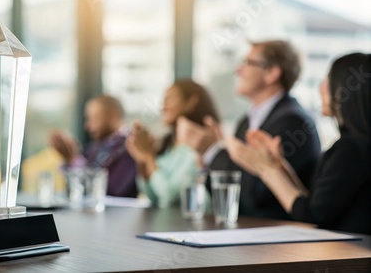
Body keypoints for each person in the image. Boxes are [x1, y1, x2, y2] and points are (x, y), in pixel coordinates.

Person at [227, 53, 371, 235]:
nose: (321, 87)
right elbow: (313, 203)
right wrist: (278, 166)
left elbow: (312, 217)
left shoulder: (350, 149)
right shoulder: (354, 146)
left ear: (343, 91)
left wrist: (266, 170)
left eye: (328, 80)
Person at [180, 40, 321, 220]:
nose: (238, 70)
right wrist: (207, 162)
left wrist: (213, 150)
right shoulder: (246, 122)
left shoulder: (292, 122)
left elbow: (255, 195)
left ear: (271, 73)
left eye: (247, 63)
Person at [125, 79, 219, 208]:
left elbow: (170, 197)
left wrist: (149, 157)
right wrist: (142, 161)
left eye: (169, 99)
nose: (163, 107)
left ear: (191, 102)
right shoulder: (168, 144)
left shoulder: (199, 147)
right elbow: (152, 196)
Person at [49, 95, 137, 198]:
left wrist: (74, 160)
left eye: (94, 119)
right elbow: (74, 191)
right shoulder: (93, 149)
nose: (87, 126)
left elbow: (112, 191)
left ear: (114, 117)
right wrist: (70, 160)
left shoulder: (130, 148)